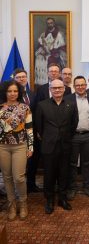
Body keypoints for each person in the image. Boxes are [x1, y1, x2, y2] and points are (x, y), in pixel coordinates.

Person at [36, 79, 78, 214]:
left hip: (65, 145)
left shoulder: (71, 104)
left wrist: (65, 137)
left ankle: (62, 199)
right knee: (49, 175)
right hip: (49, 146)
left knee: (63, 174)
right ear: (50, 89)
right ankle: (49, 200)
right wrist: (49, 137)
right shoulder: (42, 105)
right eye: (54, 88)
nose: (57, 90)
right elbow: (39, 127)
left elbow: (73, 125)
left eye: (60, 88)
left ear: (64, 89)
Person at [0, 80, 33, 220]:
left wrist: (30, 147)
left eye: (15, 91)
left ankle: (23, 203)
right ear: (5, 92)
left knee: (19, 177)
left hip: (20, 146)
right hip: (3, 146)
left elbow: (29, 128)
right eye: (9, 91)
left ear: (19, 92)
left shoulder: (25, 108)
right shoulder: (0, 108)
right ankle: (11, 204)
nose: (12, 93)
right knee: (7, 177)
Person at [66, 76, 89, 200]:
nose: (80, 87)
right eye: (77, 85)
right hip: (73, 136)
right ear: (74, 86)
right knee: (72, 163)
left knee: (88, 163)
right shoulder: (67, 99)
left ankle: (87, 186)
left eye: (82, 85)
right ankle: (72, 187)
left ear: (86, 85)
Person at [13, 68, 40, 193]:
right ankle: (20, 189)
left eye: (23, 77)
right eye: (18, 77)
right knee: (20, 163)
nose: (21, 79)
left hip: (32, 133)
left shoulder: (32, 93)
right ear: (14, 79)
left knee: (33, 160)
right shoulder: (11, 95)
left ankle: (31, 184)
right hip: (17, 134)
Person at [35, 17, 67, 85]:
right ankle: (43, 83)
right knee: (38, 57)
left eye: (51, 23)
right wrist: (42, 50)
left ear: (54, 23)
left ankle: (54, 82)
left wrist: (55, 52)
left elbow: (62, 47)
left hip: (56, 53)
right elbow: (39, 46)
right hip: (46, 53)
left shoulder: (59, 34)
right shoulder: (43, 34)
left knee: (50, 59)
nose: (50, 25)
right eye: (48, 23)